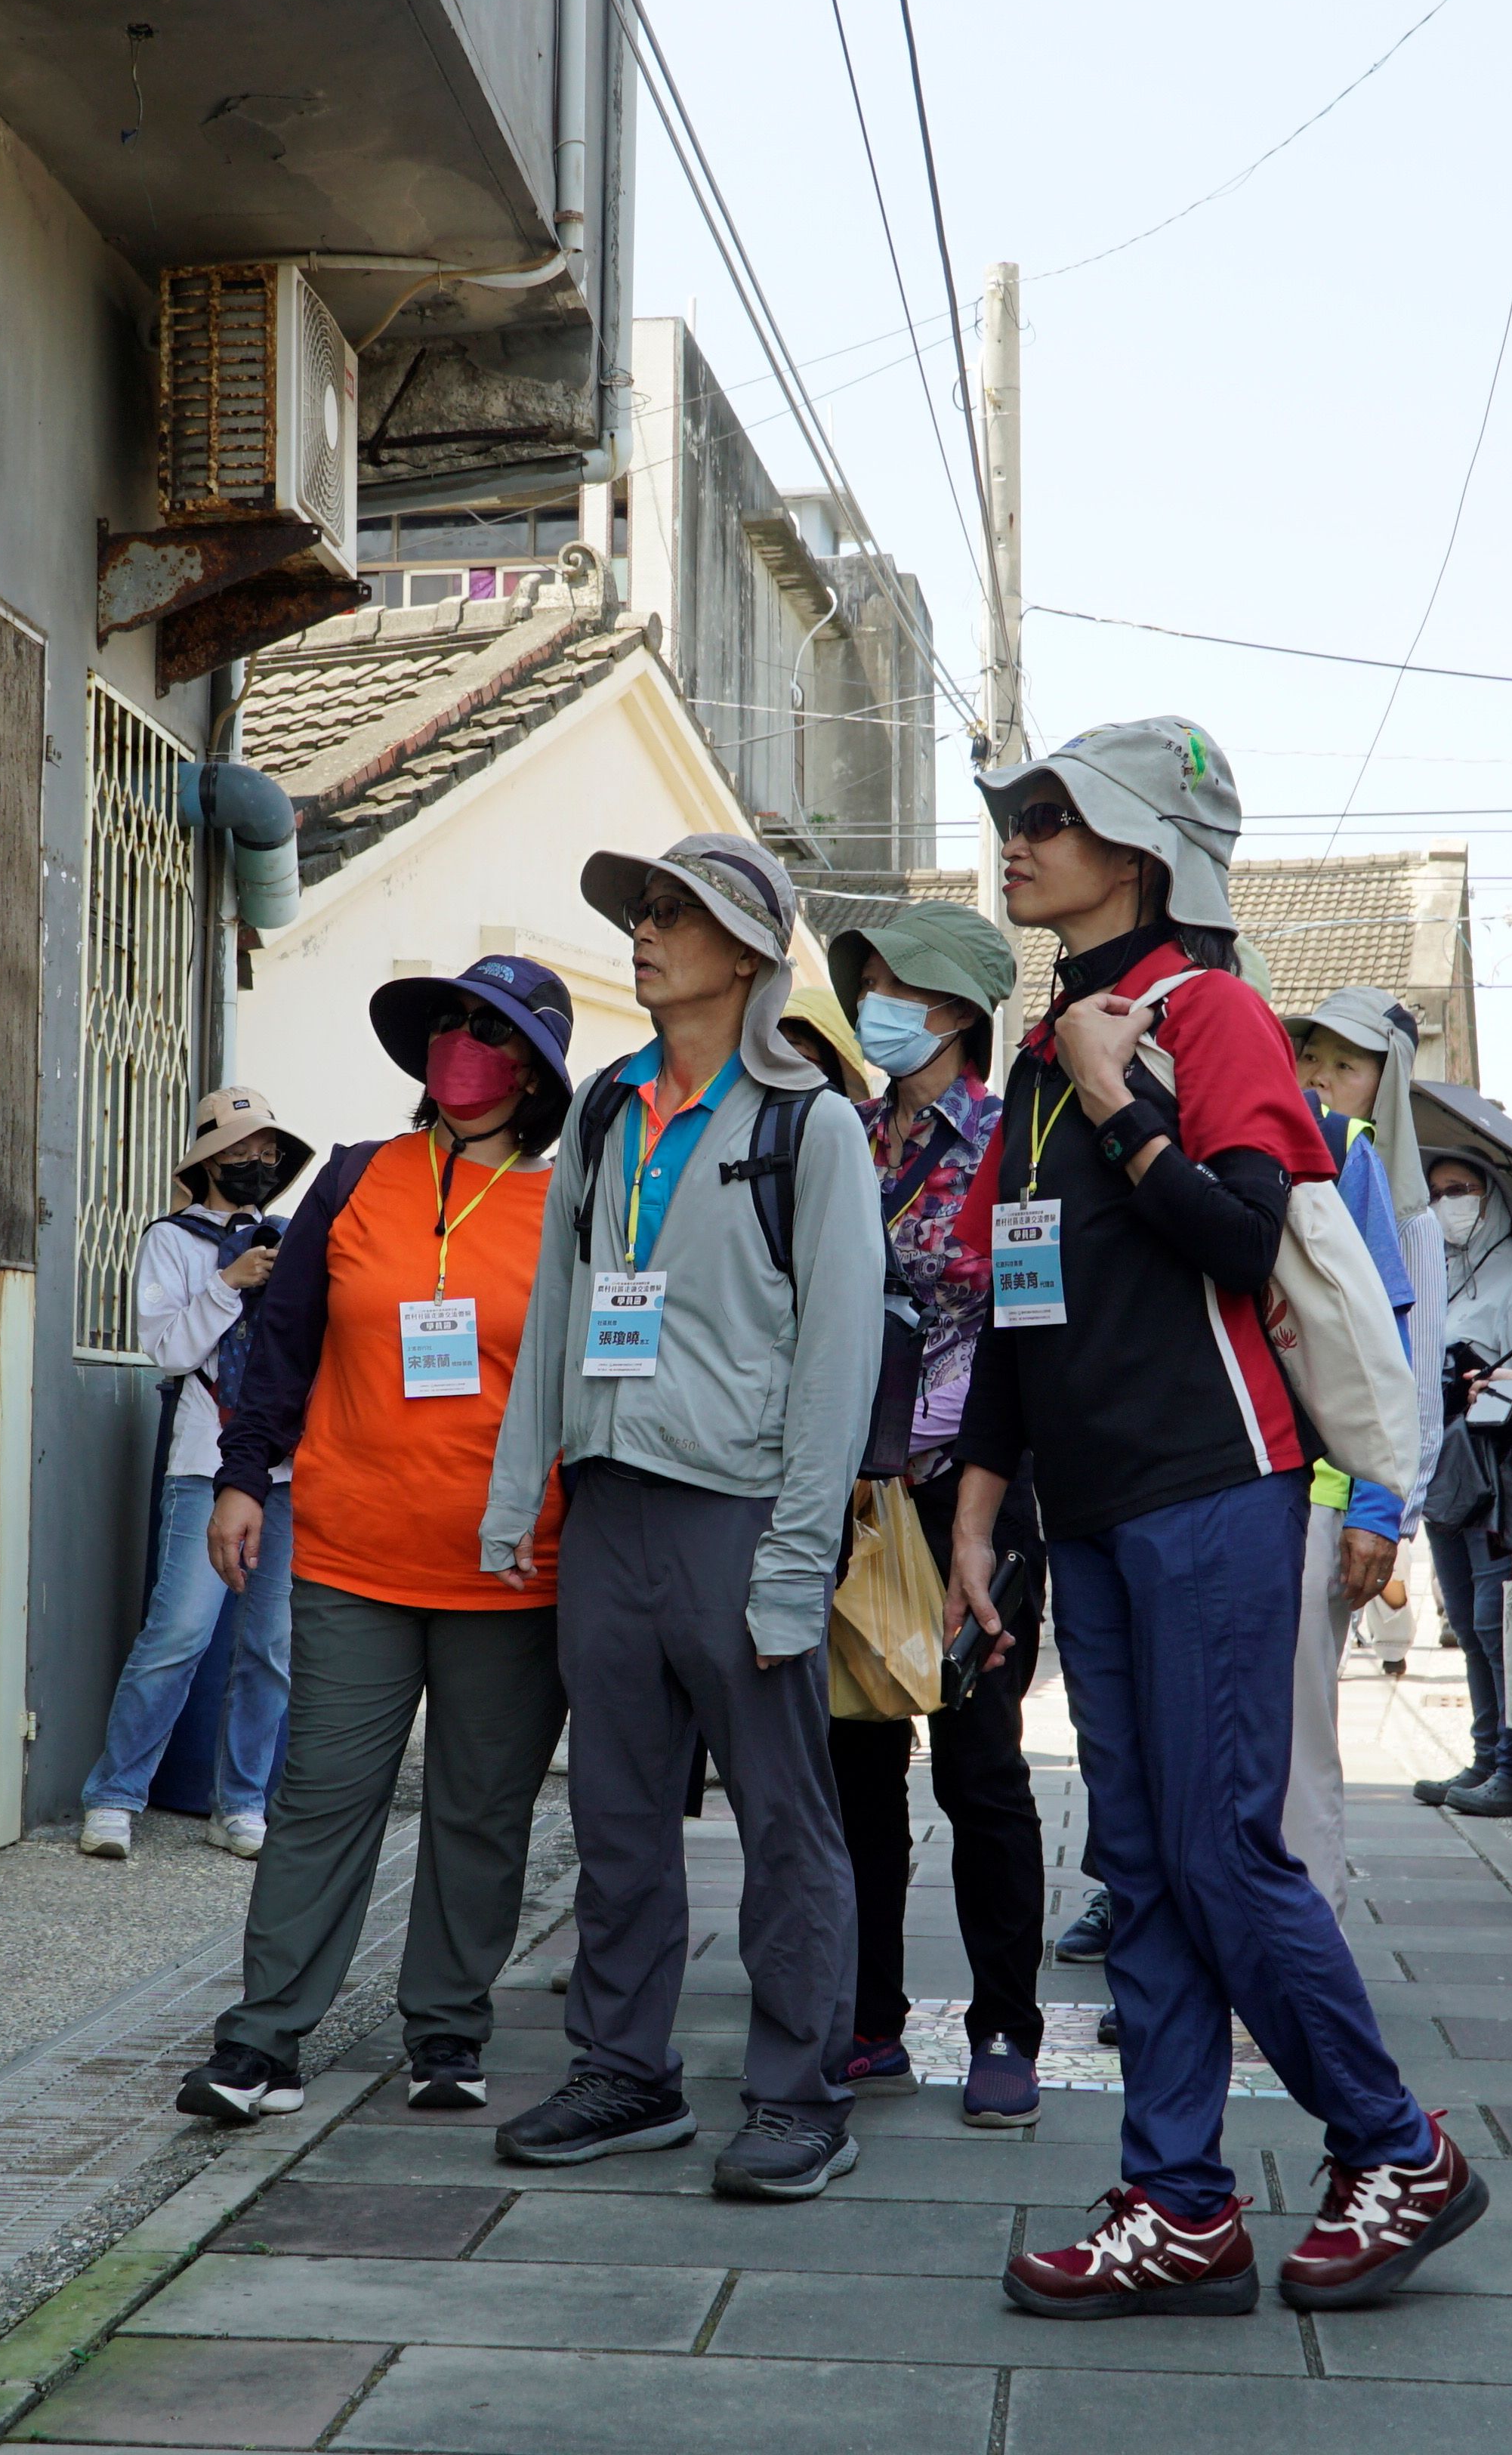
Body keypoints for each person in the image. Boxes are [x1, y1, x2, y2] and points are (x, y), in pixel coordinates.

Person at [955, 718, 1486, 2318]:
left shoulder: (1217, 1014)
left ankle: (1398, 2144)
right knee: (1138, 1855)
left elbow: (1246, 1236)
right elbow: (1013, 1301)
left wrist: (1125, 1100)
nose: (1019, 835)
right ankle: (1181, 2198)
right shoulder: (1038, 1052)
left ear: (1137, 852)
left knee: (1220, 1847)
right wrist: (980, 1512)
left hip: (1218, 1484)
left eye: (1052, 815)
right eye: (1017, 812)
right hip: (1095, 1507)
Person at [479, 837, 887, 2203]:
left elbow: (836, 1363)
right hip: (609, 1509)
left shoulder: (807, 1124)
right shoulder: (603, 1109)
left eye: (676, 914)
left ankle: (797, 2093)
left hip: (738, 1510)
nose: (646, 933)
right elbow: (556, 1309)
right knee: (616, 1811)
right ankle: (624, 2069)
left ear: (750, 955)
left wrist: (795, 1561)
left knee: (785, 1822)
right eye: (643, 913)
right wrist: (517, 1489)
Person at [172, 961, 586, 2126]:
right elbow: (282, 1345)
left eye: (489, 1030)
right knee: (324, 1797)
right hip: (354, 1552)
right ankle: (261, 2044)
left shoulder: (573, 1205)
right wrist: (242, 1479)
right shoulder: (357, 1180)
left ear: (536, 1069)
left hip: (511, 1568)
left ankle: (447, 2034)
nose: (460, 1043)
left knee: (477, 1810)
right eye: (448, 1022)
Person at [820, 899, 1051, 2130]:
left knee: (979, 1774)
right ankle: (867, 2020)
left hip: (977, 1496)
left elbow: (1032, 1329)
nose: (877, 1003)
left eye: (899, 985)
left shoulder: (1013, 1148)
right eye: (868, 981)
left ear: (959, 1010)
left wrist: (984, 1490)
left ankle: (1006, 2029)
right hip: (852, 1496)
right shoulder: (839, 1134)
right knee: (857, 1766)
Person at [77, 1086, 315, 1861]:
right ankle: (114, 1795)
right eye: (243, 1148)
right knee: (178, 1631)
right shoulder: (172, 1241)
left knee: (270, 1644)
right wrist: (229, 1282)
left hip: (286, 1469)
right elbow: (171, 1351)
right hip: (203, 1461)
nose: (257, 1161)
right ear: (208, 1160)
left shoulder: (293, 1238)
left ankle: (241, 1802)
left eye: (268, 1150)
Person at [1276, 987, 1438, 1857]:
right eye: (1314, 1059)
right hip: (1233, 1484)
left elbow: (1400, 1371)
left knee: (1298, 1748)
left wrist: (1385, 1511)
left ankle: (1307, 1971)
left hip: (1324, 1490)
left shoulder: (1359, 1165)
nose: (1325, 1078)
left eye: (1349, 1065)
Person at [1419, 1147, 1512, 1818]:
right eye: (1439, 1190)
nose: (1451, 1201)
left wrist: (1490, 1390)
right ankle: (1486, 1759)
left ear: (1493, 1195)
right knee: (1469, 1624)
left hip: (1502, 1474)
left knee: (1502, 1619)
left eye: (1463, 1188)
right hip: (1448, 1474)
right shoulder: (1440, 1276)